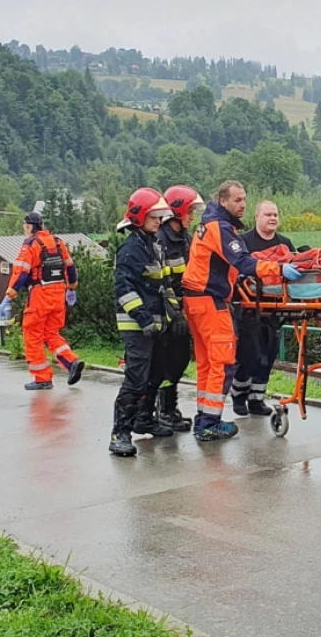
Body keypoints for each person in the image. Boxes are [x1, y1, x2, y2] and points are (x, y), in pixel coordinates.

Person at [181, 181, 302, 442]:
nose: (243, 204)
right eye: (237, 200)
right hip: (211, 301)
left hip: (197, 300)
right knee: (222, 363)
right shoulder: (220, 228)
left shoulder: (210, 225)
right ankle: (209, 424)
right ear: (223, 201)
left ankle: (204, 418)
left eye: (244, 199)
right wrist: (278, 269)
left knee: (207, 363)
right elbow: (243, 262)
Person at [108, 188, 180, 457]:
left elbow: (163, 284)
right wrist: (143, 318)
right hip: (136, 325)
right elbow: (123, 289)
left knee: (157, 374)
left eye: (160, 216)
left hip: (157, 322)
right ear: (139, 217)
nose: (159, 221)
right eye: (154, 216)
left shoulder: (153, 244)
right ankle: (120, 433)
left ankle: (144, 420)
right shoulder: (131, 249)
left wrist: (176, 314)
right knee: (136, 380)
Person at [0, 211, 85, 391]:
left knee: (32, 335)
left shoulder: (30, 244)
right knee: (51, 333)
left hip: (40, 294)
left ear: (29, 226)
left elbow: (21, 272)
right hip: (59, 294)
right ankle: (71, 362)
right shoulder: (58, 242)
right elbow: (70, 267)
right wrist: (72, 288)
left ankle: (42, 378)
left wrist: (9, 295)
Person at [231, 200, 296, 417]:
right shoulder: (244, 242)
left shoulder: (284, 243)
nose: (273, 218)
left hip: (275, 308)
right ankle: (239, 396)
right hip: (248, 308)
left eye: (275, 215)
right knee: (249, 355)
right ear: (257, 216)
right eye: (268, 214)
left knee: (267, 356)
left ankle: (257, 399)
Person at [154, 184, 206, 433]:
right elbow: (163, 282)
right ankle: (163, 410)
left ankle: (169, 408)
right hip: (167, 312)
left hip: (183, 309)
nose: (192, 217)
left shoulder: (184, 238)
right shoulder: (161, 239)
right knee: (167, 362)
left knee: (180, 359)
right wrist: (173, 313)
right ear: (176, 211)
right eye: (189, 212)